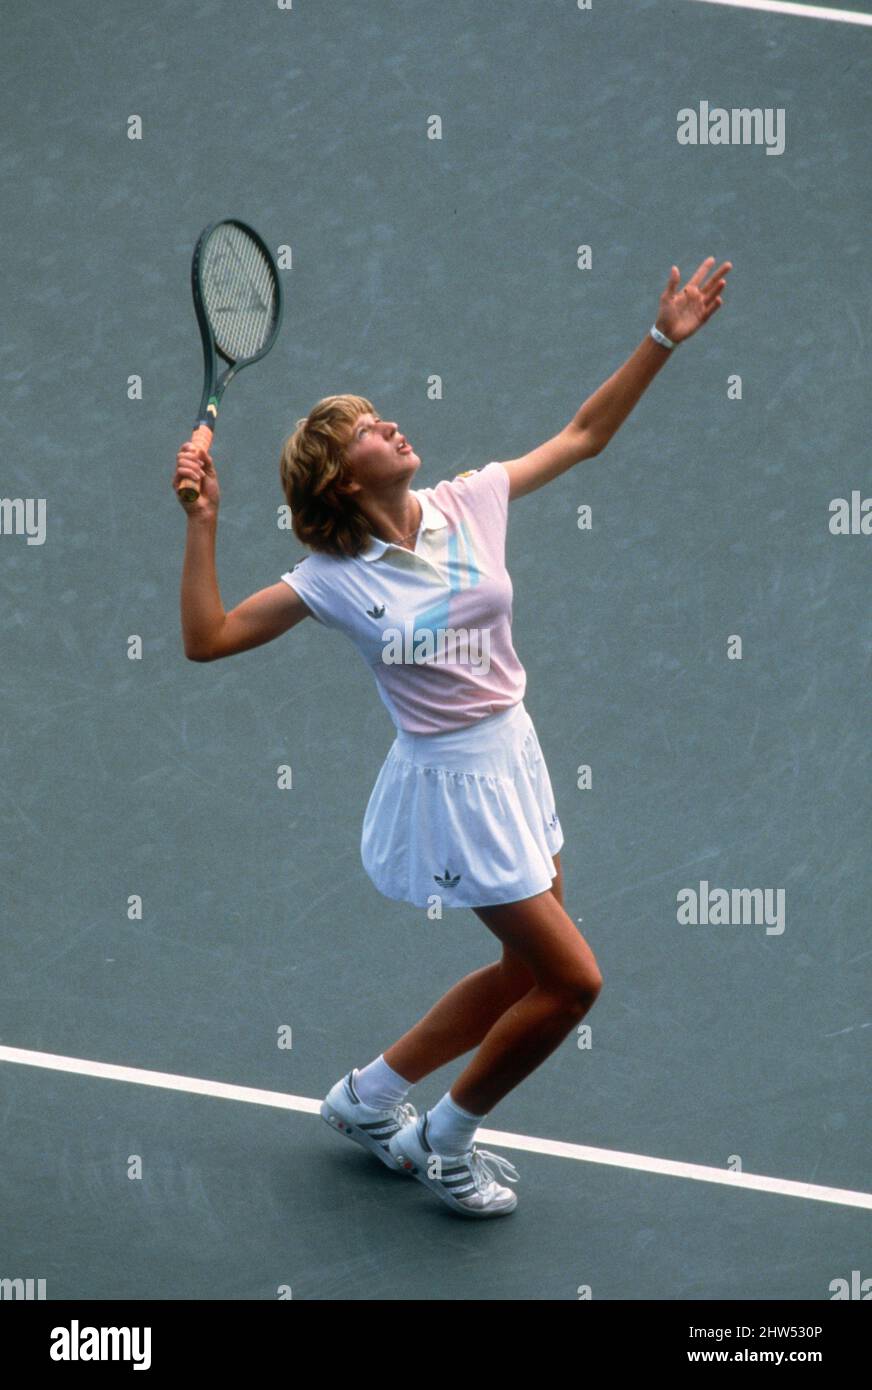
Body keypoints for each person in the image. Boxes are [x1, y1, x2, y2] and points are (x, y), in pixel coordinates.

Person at [173, 257, 731, 1219]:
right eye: (366, 431)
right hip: (456, 788)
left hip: (517, 750)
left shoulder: (471, 499)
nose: (391, 425)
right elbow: (207, 638)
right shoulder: (332, 578)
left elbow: (585, 435)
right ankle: (446, 1138)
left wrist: (663, 339)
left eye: (381, 414)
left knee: (527, 970)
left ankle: (369, 1099)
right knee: (573, 984)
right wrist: (205, 522)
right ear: (345, 481)